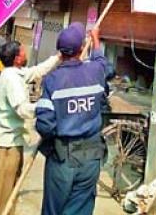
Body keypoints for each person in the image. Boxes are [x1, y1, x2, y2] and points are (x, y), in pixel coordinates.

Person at [35, 24, 114, 215]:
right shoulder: (95, 72)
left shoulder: (53, 80)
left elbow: (45, 125)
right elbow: (105, 65)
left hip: (63, 158)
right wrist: (95, 38)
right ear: (81, 49)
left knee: (54, 210)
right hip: (90, 158)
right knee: (80, 209)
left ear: (60, 53)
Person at [0, 42, 61, 215]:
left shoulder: (16, 73)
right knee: (3, 191)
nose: (26, 53)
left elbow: (38, 70)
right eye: (22, 51)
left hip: (13, 141)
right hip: (7, 143)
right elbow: (21, 108)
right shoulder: (11, 78)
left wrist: (58, 57)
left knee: (11, 187)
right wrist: (44, 108)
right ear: (17, 58)